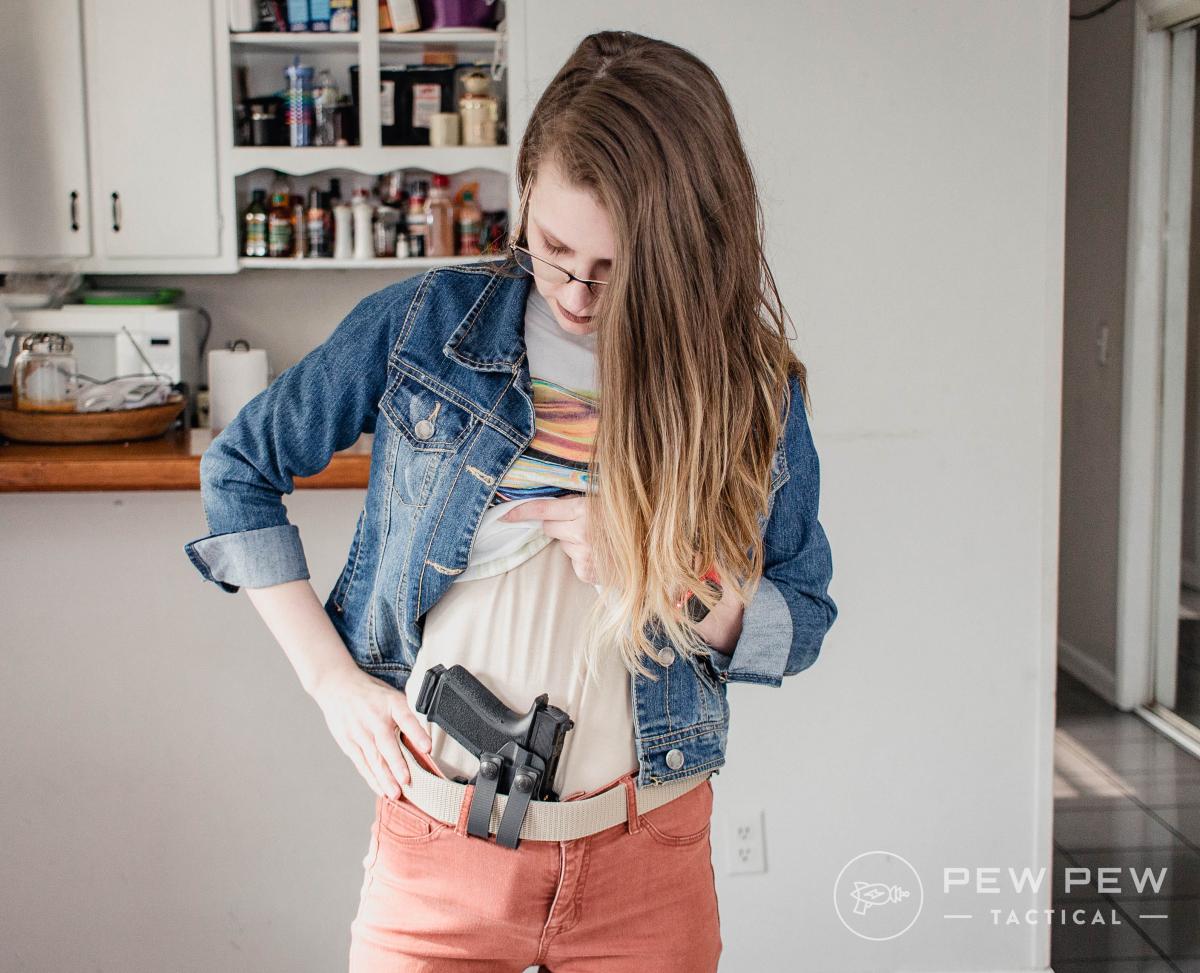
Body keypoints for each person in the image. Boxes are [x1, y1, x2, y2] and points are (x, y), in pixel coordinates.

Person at [183, 28, 837, 973]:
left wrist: (666, 574)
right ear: (525, 185)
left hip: (647, 862)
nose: (574, 293)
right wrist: (331, 684)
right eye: (554, 246)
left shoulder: (747, 387)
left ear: (687, 247)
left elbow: (802, 619)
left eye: (617, 270)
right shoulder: (422, 327)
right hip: (439, 853)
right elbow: (238, 471)